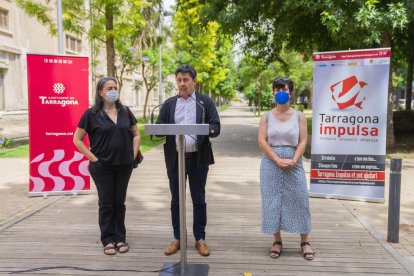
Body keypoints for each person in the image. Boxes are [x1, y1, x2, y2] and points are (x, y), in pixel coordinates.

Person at [156, 64, 221, 257]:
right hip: (175, 159)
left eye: (186, 80)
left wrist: (204, 129)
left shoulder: (204, 102)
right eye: (179, 80)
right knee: (176, 200)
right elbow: (159, 126)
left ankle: (200, 239)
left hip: (198, 159)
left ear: (194, 81)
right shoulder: (169, 104)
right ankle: (178, 238)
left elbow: (216, 126)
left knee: (198, 200)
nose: (182, 83)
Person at [73, 76, 141, 255]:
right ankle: (108, 239)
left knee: (119, 202)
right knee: (106, 203)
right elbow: (77, 140)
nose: (113, 91)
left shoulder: (125, 111)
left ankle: (120, 237)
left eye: (115, 87)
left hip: (124, 165)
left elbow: (136, 134)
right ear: (100, 92)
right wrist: (93, 159)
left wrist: (132, 155)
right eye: (109, 88)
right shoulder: (91, 114)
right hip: (102, 166)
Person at [258, 77, 315, 261]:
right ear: (273, 92)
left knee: (300, 199)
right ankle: (277, 241)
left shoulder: (299, 115)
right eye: (276, 89)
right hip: (270, 163)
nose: (280, 91)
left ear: (291, 92)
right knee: (272, 201)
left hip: (294, 162)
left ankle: (305, 241)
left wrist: (294, 159)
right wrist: (276, 159)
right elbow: (262, 141)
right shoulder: (266, 116)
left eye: (284, 88)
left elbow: (303, 140)